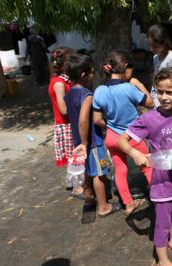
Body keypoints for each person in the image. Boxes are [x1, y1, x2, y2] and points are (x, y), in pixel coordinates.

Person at [117, 68, 172, 266]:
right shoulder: (149, 119)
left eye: (169, 92)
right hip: (162, 183)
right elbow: (121, 141)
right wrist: (135, 153)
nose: (163, 97)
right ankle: (163, 263)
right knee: (161, 222)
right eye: (159, 92)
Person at [93, 50, 154, 216]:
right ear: (125, 67)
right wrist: (139, 85)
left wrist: (111, 125)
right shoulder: (128, 88)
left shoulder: (99, 91)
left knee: (120, 170)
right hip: (132, 136)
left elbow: (97, 119)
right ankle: (158, 199)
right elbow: (150, 103)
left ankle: (128, 204)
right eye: (131, 68)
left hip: (112, 137)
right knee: (147, 168)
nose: (132, 72)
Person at [64, 53, 121, 223]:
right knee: (98, 173)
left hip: (78, 141)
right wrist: (85, 142)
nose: (92, 76)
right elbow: (83, 120)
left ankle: (89, 196)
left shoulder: (69, 93)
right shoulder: (87, 95)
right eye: (91, 73)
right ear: (84, 75)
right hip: (91, 142)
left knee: (87, 170)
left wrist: (80, 142)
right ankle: (104, 206)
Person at [46, 47, 81, 194]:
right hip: (66, 124)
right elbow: (63, 109)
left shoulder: (62, 80)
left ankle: (71, 181)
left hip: (67, 123)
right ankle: (77, 186)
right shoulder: (59, 83)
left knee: (73, 154)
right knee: (74, 155)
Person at [147, 24, 172, 107]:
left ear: (164, 43)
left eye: (155, 46)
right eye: (150, 45)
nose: (151, 49)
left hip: (167, 100)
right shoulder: (156, 57)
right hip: (156, 97)